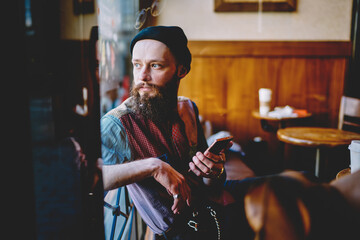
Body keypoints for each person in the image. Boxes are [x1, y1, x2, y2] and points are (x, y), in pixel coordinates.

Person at [100, 25, 255, 240]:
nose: (143, 76)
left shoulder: (188, 108)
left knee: (296, 183)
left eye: (155, 65)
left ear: (181, 70)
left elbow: (209, 184)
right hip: (181, 229)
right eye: (137, 65)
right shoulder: (117, 124)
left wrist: (214, 171)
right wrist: (152, 166)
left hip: (210, 205)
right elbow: (92, 177)